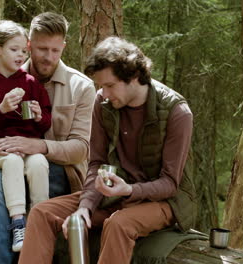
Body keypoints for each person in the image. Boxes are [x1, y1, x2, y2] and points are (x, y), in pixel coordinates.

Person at [18, 37, 197, 264]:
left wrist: (129, 190)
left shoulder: (177, 111)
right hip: (114, 194)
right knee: (43, 213)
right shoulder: (103, 102)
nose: (104, 92)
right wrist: (85, 208)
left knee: (119, 223)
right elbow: (97, 163)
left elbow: (170, 183)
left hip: (164, 201)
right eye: (101, 85)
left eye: (110, 85)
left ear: (133, 77)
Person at [0, 12, 96, 264]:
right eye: (42, 49)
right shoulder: (5, 73)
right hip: (6, 152)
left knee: (0, 181)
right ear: (29, 44)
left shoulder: (81, 87)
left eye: (56, 50)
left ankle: (8, 258)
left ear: (63, 46)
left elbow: (81, 149)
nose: (49, 57)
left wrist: (38, 145)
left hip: (56, 170)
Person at [0, 20, 52, 252]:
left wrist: (38, 117)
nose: (20, 55)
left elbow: (46, 119)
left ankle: (40, 221)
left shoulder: (31, 83)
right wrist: (2, 109)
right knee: (13, 162)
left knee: (39, 163)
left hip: (28, 148)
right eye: (14, 50)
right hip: (2, 148)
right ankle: (18, 223)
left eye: (23, 51)